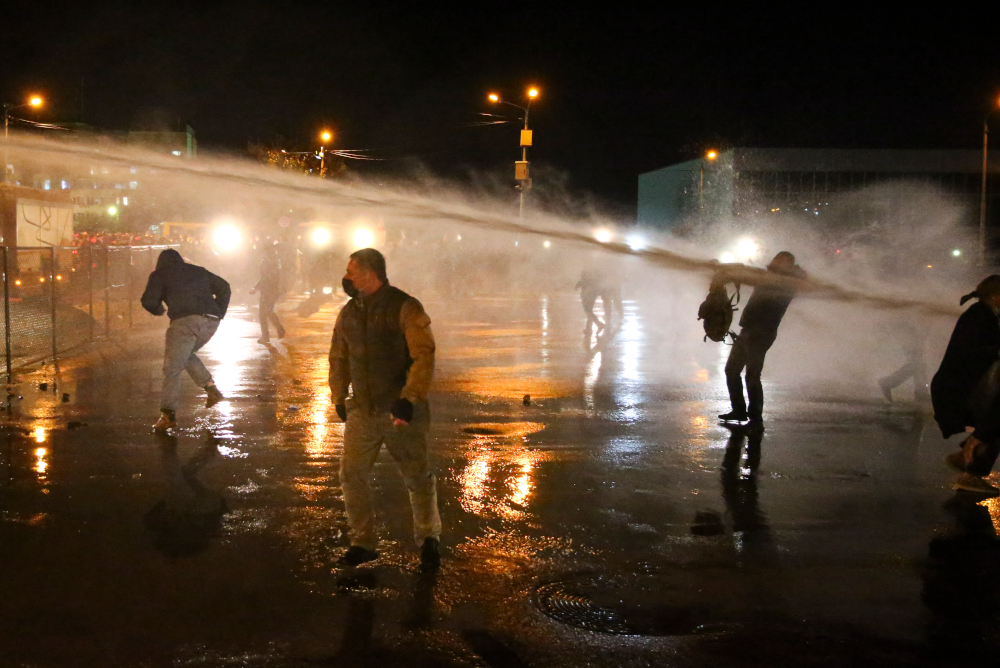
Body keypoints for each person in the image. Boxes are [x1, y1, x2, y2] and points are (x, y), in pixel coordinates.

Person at [328, 248, 441, 571]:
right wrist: (338, 395)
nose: (346, 278)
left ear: (371, 274)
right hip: (363, 410)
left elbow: (424, 354)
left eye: (352, 271)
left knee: (417, 476)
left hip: (400, 410)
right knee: (351, 475)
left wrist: (410, 398)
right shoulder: (348, 312)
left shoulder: (404, 306)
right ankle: (362, 543)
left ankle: (429, 538)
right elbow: (338, 355)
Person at [141, 248, 230, 431]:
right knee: (184, 354)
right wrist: (219, 311)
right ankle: (210, 388)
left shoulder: (159, 274)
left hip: (184, 323)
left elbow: (148, 301)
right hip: (211, 322)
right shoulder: (198, 270)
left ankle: (168, 415)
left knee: (172, 369)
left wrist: (158, 310)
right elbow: (224, 287)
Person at [932, 275, 1000, 495]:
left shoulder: (988, 315)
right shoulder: (979, 316)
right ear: (994, 296)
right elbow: (971, 352)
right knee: (994, 421)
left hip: (972, 385)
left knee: (994, 422)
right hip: (962, 387)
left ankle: (968, 463)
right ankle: (969, 467)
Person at [720, 251, 806, 424]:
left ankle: (755, 416)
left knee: (752, 374)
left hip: (762, 332)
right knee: (732, 370)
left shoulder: (786, 283)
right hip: (748, 329)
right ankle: (739, 410)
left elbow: (753, 277)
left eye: (780, 261)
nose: (775, 263)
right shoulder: (769, 277)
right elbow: (750, 274)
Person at [249, 245, 286, 344]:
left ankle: (266, 336)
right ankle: (278, 330)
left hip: (267, 292)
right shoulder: (275, 263)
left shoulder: (267, 264)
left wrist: (255, 288)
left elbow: (265, 279)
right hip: (272, 291)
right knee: (268, 312)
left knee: (263, 314)